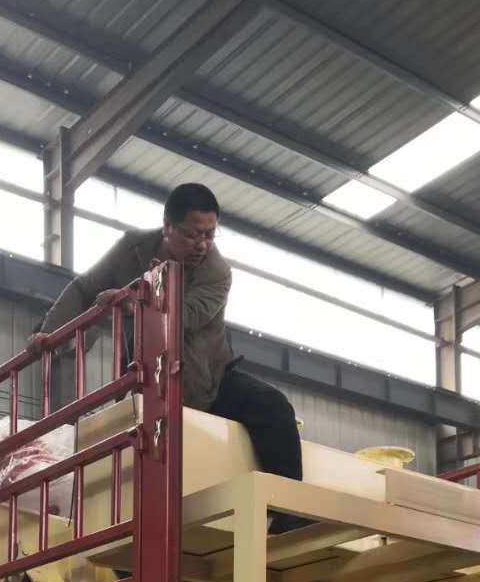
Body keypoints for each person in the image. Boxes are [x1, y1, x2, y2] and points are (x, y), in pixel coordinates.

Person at [28, 183, 305, 526]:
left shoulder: (216, 272)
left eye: (210, 235)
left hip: (208, 382)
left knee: (274, 407)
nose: (202, 245)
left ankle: (288, 516)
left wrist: (134, 301)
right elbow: (84, 288)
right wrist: (49, 334)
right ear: (167, 227)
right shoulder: (132, 249)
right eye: (192, 234)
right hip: (146, 381)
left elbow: (183, 317)